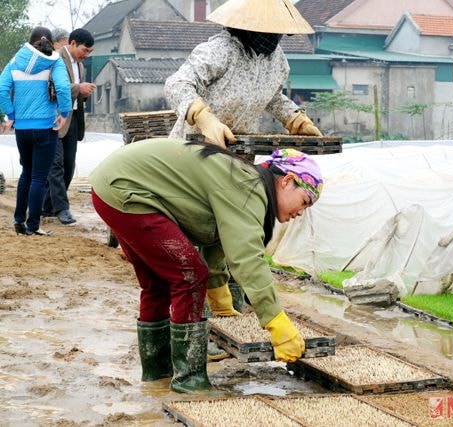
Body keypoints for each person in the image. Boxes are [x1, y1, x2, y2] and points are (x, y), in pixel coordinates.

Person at [90, 140, 323, 393]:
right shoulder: (247, 188)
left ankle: (157, 375)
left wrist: (220, 298)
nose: (301, 211)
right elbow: (247, 260)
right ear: (287, 180)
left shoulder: (242, 180)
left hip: (112, 186)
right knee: (189, 277)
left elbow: (216, 236)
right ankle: (189, 381)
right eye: (305, 200)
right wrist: (277, 322)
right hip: (128, 191)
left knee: (158, 283)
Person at [164, 0, 322, 147]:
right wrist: (203, 118)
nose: (271, 35)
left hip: (240, 152)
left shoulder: (277, 61)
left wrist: (295, 119)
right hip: (194, 148)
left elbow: (272, 98)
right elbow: (176, 84)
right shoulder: (219, 50)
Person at [0, 26, 72, 236]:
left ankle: (19, 219)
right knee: (40, 177)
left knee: (26, 174)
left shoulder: (14, 62)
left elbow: (2, 89)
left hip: (21, 129)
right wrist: (64, 113)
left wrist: (11, 115)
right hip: (45, 128)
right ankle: (33, 225)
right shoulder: (55, 61)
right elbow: (62, 87)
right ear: (50, 42)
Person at [43, 28, 96, 225]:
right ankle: (62, 209)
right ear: (72, 43)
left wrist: (84, 92)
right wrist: (78, 88)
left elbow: (73, 91)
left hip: (72, 119)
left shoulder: (80, 66)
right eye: (85, 50)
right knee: (55, 165)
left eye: (90, 52)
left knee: (68, 165)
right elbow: (52, 88)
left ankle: (46, 207)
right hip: (54, 117)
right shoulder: (55, 59)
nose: (86, 55)